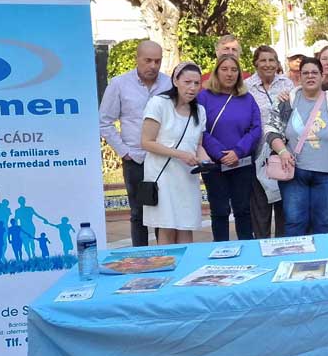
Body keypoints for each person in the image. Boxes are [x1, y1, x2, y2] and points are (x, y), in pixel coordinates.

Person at [265, 57, 328, 236]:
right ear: (299, 77)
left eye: (314, 72)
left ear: (322, 76)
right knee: (295, 221)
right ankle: (295, 261)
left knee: (323, 222)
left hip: (326, 174)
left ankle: (322, 261)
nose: (310, 76)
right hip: (293, 172)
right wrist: (282, 151)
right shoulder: (286, 101)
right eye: (305, 73)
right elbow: (270, 129)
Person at [98, 40, 171, 247]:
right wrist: (124, 152)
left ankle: (164, 257)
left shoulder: (169, 84)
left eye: (157, 61)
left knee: (162, 213)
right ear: (137, 59)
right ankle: (140, 258)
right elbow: (104, 122)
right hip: (135, 159)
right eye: (148, 60)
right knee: (138, 214)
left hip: (162, 158)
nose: (153, 66)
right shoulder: (119, 84)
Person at [142, 62, 209, 245]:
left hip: (187, 176)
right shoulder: (159, 103)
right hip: (162, 175)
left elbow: (198, 145)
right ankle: (168, 268)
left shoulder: (200, 111)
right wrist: (180, 154)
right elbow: (147, 142)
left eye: (197, 83)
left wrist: (205, 160)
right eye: (187, 82)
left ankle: (185, 268)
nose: (192, 87)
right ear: (175, 81)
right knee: (167, 226)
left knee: (186, 225)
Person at [198, 54, 261, 242]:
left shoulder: (247, 99)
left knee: (242, 209)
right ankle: (220, 248)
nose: (229, 74)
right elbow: (200, 129)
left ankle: (247, 248)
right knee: (219, 210)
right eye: (224, 69)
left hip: (241, 163)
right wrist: (219, 153)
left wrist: (238, 151)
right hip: (215, 164)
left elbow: (256, 128)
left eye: (234, 70)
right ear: (216, 72)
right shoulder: (204, 97)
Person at [245, 45, 294, 238]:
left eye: (271, 60)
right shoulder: (246, 86)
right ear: (256, 63)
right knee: (260, 206)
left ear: (277, 63)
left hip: (281, 151)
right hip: (256, 152)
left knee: (283, 205)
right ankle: (262, 245)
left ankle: (283, 244)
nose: (268, 64)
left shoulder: (287, 85)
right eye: (263, 60)